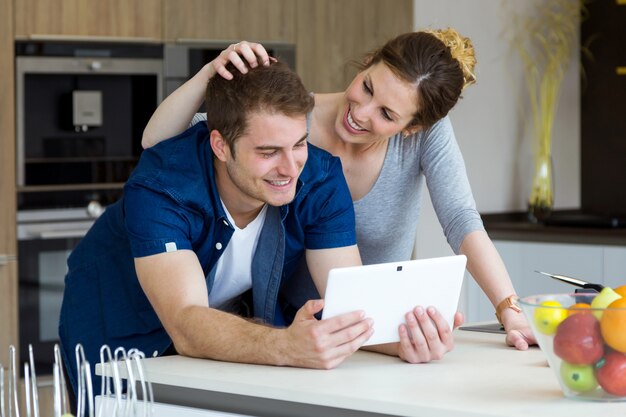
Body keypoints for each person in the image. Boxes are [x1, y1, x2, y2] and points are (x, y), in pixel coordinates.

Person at [142, 28, 537, 354]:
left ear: (412, 128)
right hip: (295, 321)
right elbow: (159, 145)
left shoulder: (424, 138)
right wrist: (209, 72)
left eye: (386, 114)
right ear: (366, 64)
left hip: (372, 323)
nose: (361, 112)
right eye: (367, 88)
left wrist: (509, 308)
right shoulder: (292, 122)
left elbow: (461, 220)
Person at [59, 60, 378, 402]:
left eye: (299, 144)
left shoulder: (319, 177)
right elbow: (186, 323)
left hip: (217, 331)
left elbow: (353, 302)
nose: (290, 169)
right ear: (221, 146)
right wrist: (286, 345)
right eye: (268, 152)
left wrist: (410, 336)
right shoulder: (162, 187)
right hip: (119, 331)